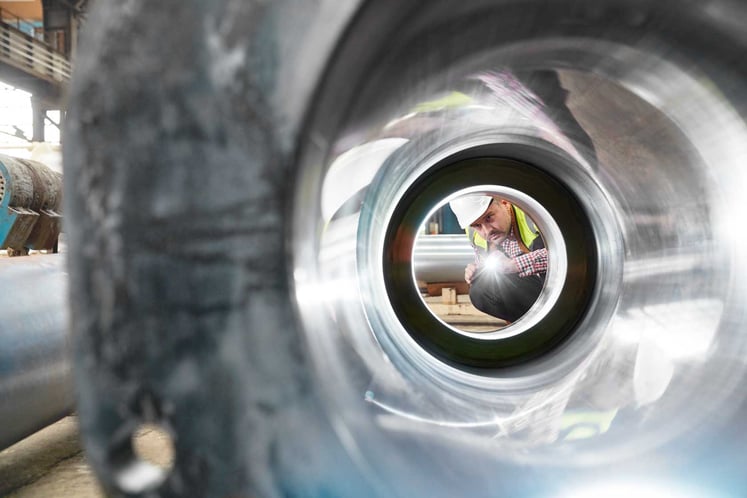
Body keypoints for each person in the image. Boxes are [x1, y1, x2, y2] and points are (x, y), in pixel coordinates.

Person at [449, 195, 547, 323]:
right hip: (535, 295)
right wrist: (476, 270)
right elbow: (487, 266)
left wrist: (515, 264)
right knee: (481, 288)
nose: (487, 230)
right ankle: (536, 326)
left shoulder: (534, 214)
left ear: (505, 203)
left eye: (489, 217)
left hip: (566, 289)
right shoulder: (474, 234)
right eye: (477, 225)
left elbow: (570, 254)